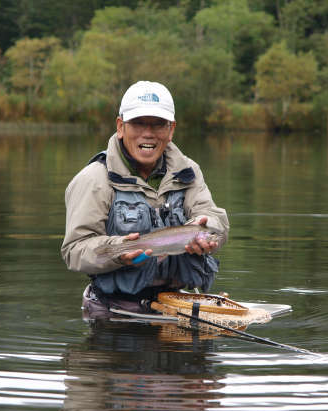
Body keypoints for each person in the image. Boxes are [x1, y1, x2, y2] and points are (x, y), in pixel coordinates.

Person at [61, 81, 229, 318]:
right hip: (113, 312)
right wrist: (119, 252)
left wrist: (208, 230)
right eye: (138, 123)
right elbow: (74, 251)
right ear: (120, 127)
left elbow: (216, 222)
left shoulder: (188, 171)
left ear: (171, 130)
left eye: (158, 124)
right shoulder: (94, 179)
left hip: (175, 306)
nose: (148, 133)